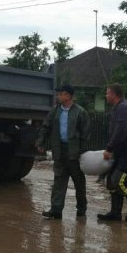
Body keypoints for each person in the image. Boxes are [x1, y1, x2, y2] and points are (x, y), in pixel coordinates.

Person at [36, 84, 90, 220]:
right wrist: (41, 142)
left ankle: (81, 209)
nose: (58, 96)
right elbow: (46, 127)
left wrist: (82, 152)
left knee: (79, 183)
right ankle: (56, 210)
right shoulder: (55, 111)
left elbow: (85, 134)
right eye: (58, 94)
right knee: (59, 181)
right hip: (59, 151)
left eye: (60, 94)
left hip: (75, 153)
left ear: (68, 96)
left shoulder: (80, 112)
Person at [98, 83, 127, 223]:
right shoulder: (118, 108)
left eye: (107, 93)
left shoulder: (123, 108)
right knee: (111, 181)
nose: (105, 96)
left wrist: (109, 149)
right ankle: (115, 213)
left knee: (119, 179)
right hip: (122, 150)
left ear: (114, 94)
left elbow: (120, 132)